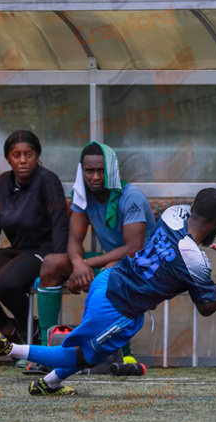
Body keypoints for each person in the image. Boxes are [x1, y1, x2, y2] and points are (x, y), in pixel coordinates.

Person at [0, 187, 216, 396]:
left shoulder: (174, 213)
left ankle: (49, 383)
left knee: (90, 348)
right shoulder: (196, 260)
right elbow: (207, 307)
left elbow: (210, 217)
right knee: (82, 358)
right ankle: (11, 348)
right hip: (119, 308)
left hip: (108, 278)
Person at [0, 131, 70, 346]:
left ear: (37, 155)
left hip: (45, 250)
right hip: (18, 250)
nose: (22, 160)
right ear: (8, 158)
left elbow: (60, 224)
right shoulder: (2, 183)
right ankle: (11, 331)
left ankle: (33, 333)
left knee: (6, 282)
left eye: (28, 154)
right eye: (16, 155)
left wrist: (59, 260)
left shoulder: (47, 180)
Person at [59, 142, 156, 358]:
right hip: (111, 261)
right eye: (89, 171)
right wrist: (77, 263)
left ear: (112, 170)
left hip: (144, 264)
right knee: (51, 265)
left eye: (101, 171)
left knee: (109, 273)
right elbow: (74, 239)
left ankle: (121, 352)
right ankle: (49, 347)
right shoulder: (82, 194)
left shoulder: (131, 196)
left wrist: (86, 264)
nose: (94, 177)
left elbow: (134, 249)